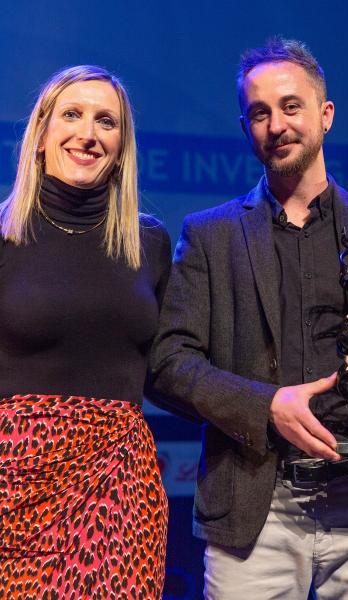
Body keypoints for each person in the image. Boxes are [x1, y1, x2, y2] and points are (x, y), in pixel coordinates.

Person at [150, 37, 348, 599]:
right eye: (260, 113)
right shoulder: (211, 235)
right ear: (246, 128)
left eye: (291, 106)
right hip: (254, 513)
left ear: (325, 115)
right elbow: (169, 364)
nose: (277, 124)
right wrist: (265, 406)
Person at [0, 65, 171, 599]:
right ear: (41, 133)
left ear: (121, 147)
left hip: (116, 483)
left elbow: (173, 367)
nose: (88, 134)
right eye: (72, 115)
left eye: (106, 121)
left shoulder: (150, 243)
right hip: (12, 481)